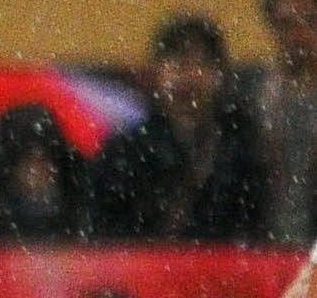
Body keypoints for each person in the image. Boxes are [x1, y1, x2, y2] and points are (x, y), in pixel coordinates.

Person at [93, 15, 270, 241]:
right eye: (178, 64)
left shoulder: (243, 144)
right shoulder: (126, 148)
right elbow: (107, 230)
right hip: (146, 271)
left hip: (224, 270)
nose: (189, 76)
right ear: (157, 73)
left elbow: (255, 226)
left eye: (200, 64)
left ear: (220, 76)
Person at [244, 0, 317, 247]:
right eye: (287, 24)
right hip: (260, 246)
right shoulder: (249, 94)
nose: (298, 35)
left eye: (309, 21)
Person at [0, 100, 89, 240]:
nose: (38, 170)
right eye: (28, 161)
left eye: (45, 159)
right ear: (9, 169)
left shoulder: (79, 214)